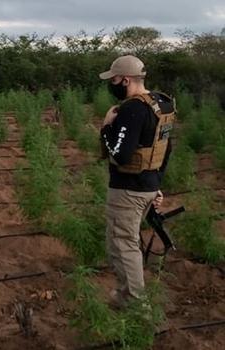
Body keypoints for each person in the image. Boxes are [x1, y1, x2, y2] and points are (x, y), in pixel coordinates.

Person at [99, 55, 175, 307]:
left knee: (123, 244)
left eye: (114, 79)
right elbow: (165, 148)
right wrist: (156, 185)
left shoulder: (133, 108)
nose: (112, 84)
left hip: (128, 190)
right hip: (148, 186)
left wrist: (107, 127)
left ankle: (133, 303)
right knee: (128, 241)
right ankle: (128, 296)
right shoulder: (161, 104)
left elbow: (120, 155)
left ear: (126, 79)